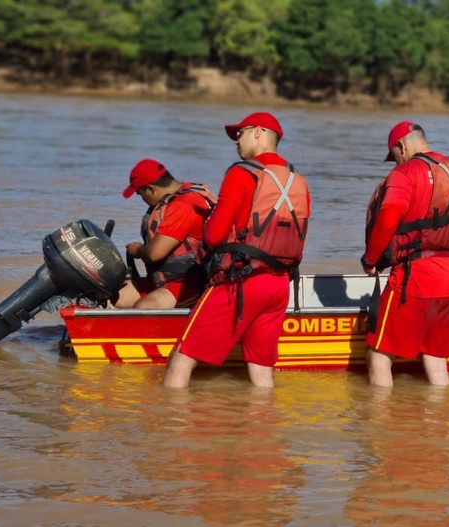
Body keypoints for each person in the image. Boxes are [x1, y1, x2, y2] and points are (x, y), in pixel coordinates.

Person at [163, 112, 311, 389]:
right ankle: (262, 426)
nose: (236, 141)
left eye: (240, 134)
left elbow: (215, 234)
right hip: (279, 287)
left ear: (258, 132)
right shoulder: (297, 180)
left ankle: (170, 427)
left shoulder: (240, 173)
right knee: (261, 371)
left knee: (182, 358)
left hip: (241, 282)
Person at [361, 121, 449, 387]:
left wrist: (371, 260)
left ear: (401, 145)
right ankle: (438, 421)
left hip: (414, 279)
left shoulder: (405, 173)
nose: (395, 163)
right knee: (436, 361)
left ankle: (379, 426)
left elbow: (389, 218)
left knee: (379, 355)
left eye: (394, 156)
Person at [116, 158, 216, 309]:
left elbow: (155, 253)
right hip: (168, 279)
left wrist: (136, 249)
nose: (142, 199)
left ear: (151, 189)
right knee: (114, 296)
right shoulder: (179, 195)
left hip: (190, 283)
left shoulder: (184, 204)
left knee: (144, 307)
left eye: (140, 194)